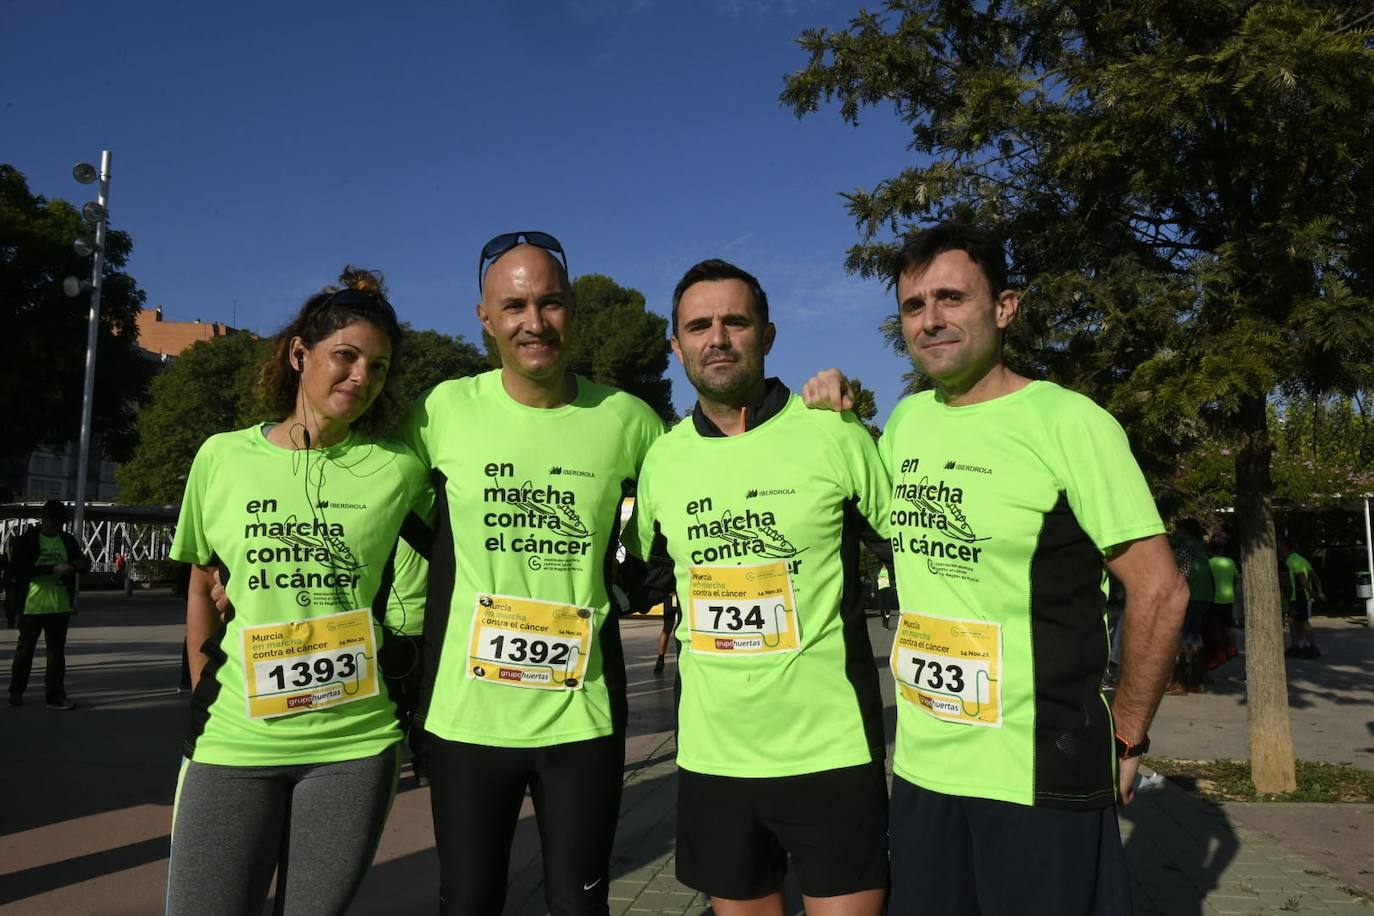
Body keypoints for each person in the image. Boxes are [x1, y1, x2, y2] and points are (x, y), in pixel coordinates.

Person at [806, 222, 1188, 915]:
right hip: (923, 772)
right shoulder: (910, 420)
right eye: (914, 306)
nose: (932, 320)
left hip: (1037, 773)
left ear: (1004, 306)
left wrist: (1128, 735)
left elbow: (1161, 591)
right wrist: (838, 421)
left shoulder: (1069, 423)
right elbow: (892, 514)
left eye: (951, 297)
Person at [395, 232, 666, 916]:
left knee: (579, 908)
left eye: (550, 303)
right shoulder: (441, 411)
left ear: (572, 310)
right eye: (513, 305)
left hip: (583, 719)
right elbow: (375, 499)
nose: (533, 322)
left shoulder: (629, 420)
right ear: (484, 318)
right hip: (466, 720)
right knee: (468, 904)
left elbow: (667, 536)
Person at [625, 259, 891, 915]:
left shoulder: (833, 434)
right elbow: (647, 579)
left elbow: (917, 552)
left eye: (734, 321)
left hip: (830, 750)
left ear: (766, 335)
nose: (716, 337)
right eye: (698, 325)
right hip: (715, 755)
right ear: (676, 345)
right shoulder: (663, 458)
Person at [164, 268, 431, 916]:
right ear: (298, 353)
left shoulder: (400, 471)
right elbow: (203, 579)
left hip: (354, 745)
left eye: (378, 366)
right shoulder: (222, 458)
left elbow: (426, 587)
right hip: (234, 738)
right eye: (346, 355)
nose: (361, 377)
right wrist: (203, 677)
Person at [7, 499, 88, 709]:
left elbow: (81, 561)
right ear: (44, 519)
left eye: (60, 524)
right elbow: (18, 569)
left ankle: (55, 695)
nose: (56, 528)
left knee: (56, 654)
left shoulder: (67, 540)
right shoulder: (27, 540)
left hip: (59, 605)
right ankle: (16, 690)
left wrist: (80, 565)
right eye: (53, 523)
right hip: (32, 605)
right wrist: (51, 569)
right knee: (25, 651)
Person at [1280, 538, 1325, 658]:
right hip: (1297, 597)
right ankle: (1296, 645)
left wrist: (1312, 593)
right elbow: (1314, 576)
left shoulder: (1292, 561)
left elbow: (1302, 578)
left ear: (1286, 548)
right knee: (1292, 621)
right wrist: (1319, 591)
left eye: (1281, 547)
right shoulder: (1302, 559)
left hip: (1297, 596)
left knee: (1302, 622)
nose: (1279, 549)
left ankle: (1311, 646)